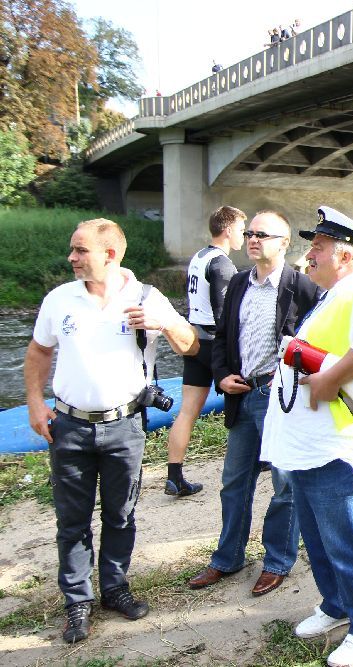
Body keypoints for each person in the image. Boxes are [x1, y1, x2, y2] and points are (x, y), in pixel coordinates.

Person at [24, 218, 198, 643]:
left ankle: (115, 589)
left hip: (125, 427)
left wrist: (163, 323)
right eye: (73, 249)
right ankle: (77, 602)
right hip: (69, 426)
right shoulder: (60, 299)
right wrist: (34, 402)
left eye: (80, 250)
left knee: (121, 514)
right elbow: (39, 351)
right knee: (72, 520)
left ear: (111, 254)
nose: (71, 257)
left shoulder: (147, 298)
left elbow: (191, 345)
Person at [261, 206, 353, 667]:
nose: (309, 255)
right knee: (320, 537)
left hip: (344, 444)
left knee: (350, 540)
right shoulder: (332, 296)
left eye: (318, 248)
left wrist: (328, 378)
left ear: (344, 255)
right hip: (312, 445)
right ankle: (336, 604)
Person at [187, 210, 323, 597]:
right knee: (234, 482)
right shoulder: (238, 282)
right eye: (249, 233)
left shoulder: (302, 287)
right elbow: (222, 337)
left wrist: (299, 379)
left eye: (262, 234)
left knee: (285, 484)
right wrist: (221, 375)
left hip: (278, 397)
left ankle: (277, 561)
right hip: (241, 395)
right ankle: (227, 557)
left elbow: (320, 344)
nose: (252, 239)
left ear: (284, 243)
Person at [164, 206, 246, 497]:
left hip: (194, 340)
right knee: (245, 399)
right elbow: (224, 315)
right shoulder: (222, 264)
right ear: (228, 230)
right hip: (214, 343)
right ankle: (256, 458)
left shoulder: (199, 257)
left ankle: (174, 476)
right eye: (241, 230)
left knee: (187, 411)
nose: (244, 236)